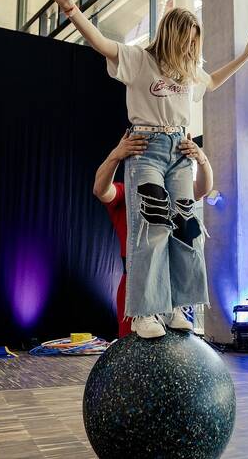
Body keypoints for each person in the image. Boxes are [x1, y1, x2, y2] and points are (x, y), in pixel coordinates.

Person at [47, 0, 248, 338]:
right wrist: (70, 8)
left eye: (195, 42)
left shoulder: (188, 72)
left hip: (180, 151)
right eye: (187, 40)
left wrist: (244, 59)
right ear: (172, 35)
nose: (190, 47)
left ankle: (176, 307)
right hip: (147, 149)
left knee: (187, 230)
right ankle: (145, 312)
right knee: (152, 226)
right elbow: (102, 43)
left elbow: (212, 82)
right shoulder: (139, 60)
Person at [93, 130, 214, 339]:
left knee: (177, 346)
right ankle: (144, 316)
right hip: (139, 280)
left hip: (173, 283)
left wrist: (201, 159)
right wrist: (115, 156)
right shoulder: (130, 194)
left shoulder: (172, 197)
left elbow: (201, 189)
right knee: (134, 349)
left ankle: (173, 312)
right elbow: (100, 190)